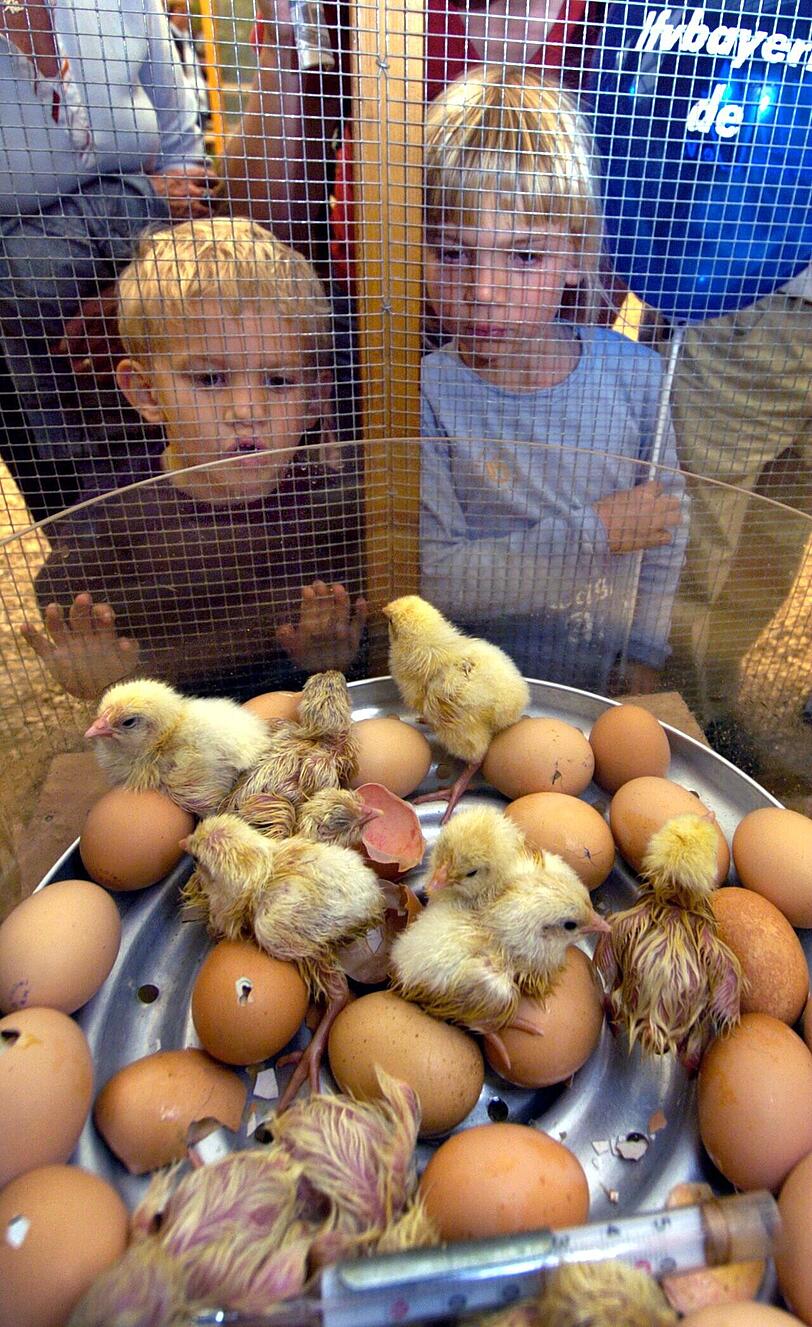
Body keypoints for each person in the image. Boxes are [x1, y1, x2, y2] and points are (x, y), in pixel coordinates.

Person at [419, 66, 687, 696]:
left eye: (524, 255)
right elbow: (436, 581)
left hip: (599, 684)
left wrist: (644, 652)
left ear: (577, 256)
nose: (484, 291)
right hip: (468, 692)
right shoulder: (425, 393)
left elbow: (665, 531)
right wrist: (599, 534)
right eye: (453, 251)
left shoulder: (638, 377)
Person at [20, 217, 367, 701]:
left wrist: (331, 660)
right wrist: (97, 675)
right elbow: (68, 611)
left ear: (314, 397)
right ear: (146, 392)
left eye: (278, 381)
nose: (247, 411)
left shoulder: (336, 498)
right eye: (209, 379)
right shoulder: (114, 512)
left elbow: (361, 628)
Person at [0, 0, 215, 519]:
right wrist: (137, 195)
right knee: (87, 527)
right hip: (24, 351)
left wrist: (137, 293)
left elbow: (186, 164)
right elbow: (164, 187)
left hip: (161, 295)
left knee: (196, 501)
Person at [663, 278, 812, 752]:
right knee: (692, 551)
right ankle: (680, 716)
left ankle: (714, 701)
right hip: (757, 302)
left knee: (775, 550)